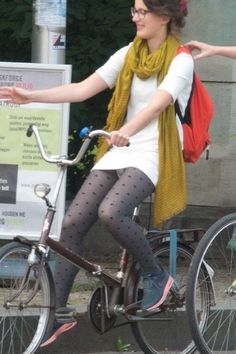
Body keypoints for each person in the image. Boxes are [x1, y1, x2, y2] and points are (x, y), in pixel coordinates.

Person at [0, 0, 193, 346]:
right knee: (72, 222)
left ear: (164, 17)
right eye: (134, 11)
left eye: (142, 11)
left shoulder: (181, 60)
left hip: (154, 150)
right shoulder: (128, 55)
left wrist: (127, 130)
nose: (135, 17)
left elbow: (158, 103)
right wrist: (31, 96)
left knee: (110, 211)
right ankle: (57, 313)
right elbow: (83, 88)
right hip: (121, 146)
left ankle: (155, 275)